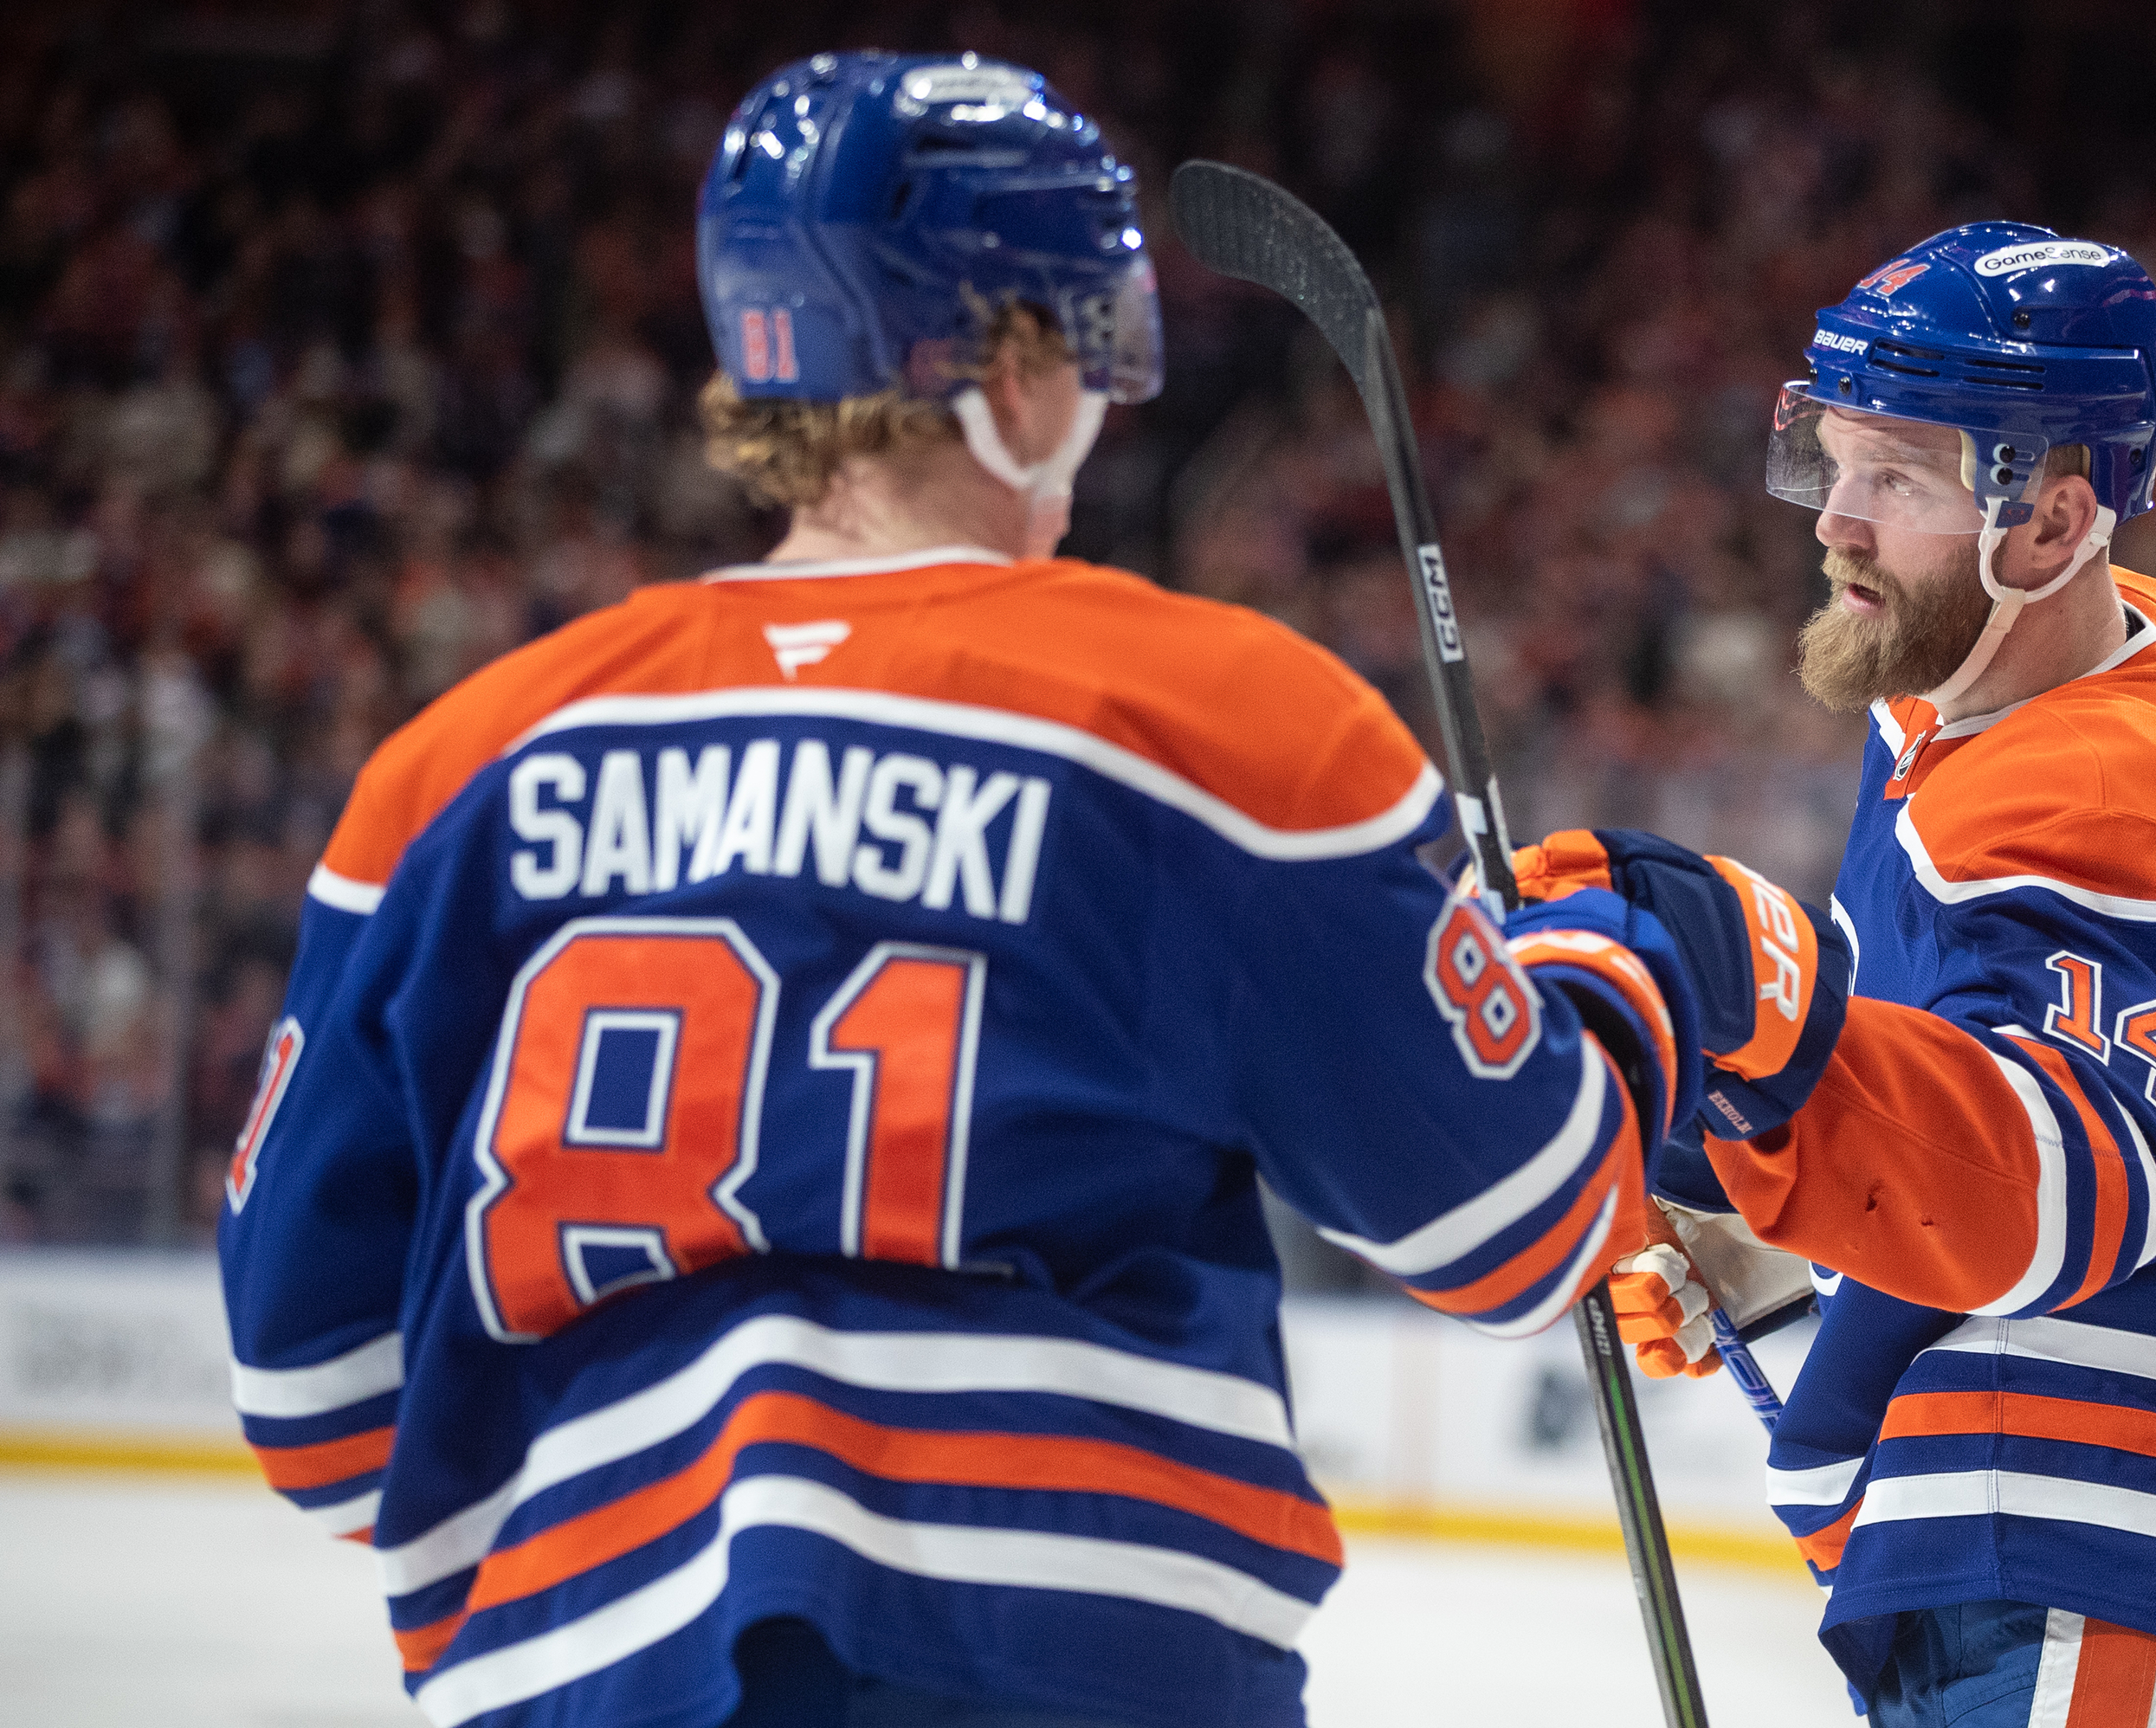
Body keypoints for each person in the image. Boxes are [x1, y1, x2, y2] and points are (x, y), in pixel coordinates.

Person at [216, 51, 1699, 1728]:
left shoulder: (455, 765)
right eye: (1086, 330)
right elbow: (1520, 1222)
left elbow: (315, 1405)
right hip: (1065, 1647)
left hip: (584, 1663)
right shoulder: (1212, 716)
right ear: (1008, 360)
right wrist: (1600, 977)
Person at [1540, 224, 2156, 1727]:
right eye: (1830, 460)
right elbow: (2007, 1053)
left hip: (2131, 1511)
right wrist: (1790, 1235)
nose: (1835, 522)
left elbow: (2058, 1186)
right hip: (2119, 1523)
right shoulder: (2091, 670)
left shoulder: (2095, 792)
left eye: (1896, 479)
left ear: (2050, 525)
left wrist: (1746, 1001)